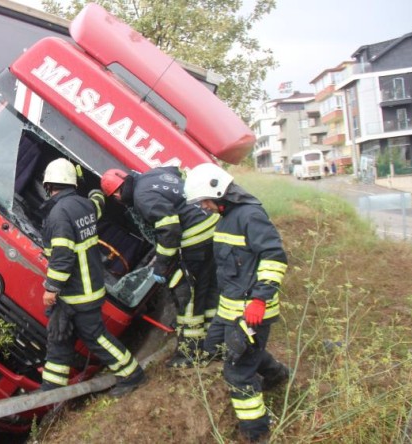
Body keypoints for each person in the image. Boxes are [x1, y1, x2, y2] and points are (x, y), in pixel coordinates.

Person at [184, 163, 291, 444]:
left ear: (218, 192)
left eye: (204, 201)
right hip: (229, 309)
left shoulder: (250, 215)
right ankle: (277, 374)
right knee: (214, 349)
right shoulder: (226, 216)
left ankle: (257, 432)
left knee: (237, 373)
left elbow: (274, 257)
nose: (203, 207)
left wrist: (259, 299)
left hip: (252, 312)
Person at [39, 158, 147, 398]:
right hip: (82, 290)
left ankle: (132, 374)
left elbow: (62, 257)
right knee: (59, 335)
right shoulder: (83, 205)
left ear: (48, 186)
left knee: (95, 337)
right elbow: (97, 205)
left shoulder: (57, 215)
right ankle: (51, 391)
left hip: (78, 292)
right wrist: (97, 192)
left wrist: (51, 288)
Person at [101, 167, 220, 368]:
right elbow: (176, 171)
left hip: (196, 238)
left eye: (115, 198)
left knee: (188, 295)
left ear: (117, 194)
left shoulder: (142, 198)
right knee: (208, 291)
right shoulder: (152, 175)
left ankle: (190, 353)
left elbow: (170, 229)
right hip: (213, 228)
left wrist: (162, 265)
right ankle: (215, 342)